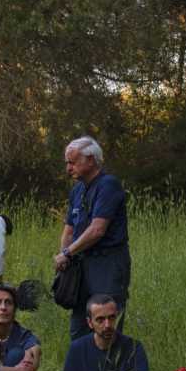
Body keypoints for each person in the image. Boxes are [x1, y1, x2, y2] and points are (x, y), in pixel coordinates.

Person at [54, 136, 130, 337]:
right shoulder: (77, 190)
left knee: (106, 323)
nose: (68, 168)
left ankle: (110, 368)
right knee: (79, 324)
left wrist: (68, 253)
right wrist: (64, 256)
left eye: (73, 162)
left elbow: (98, 229)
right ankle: (80, 367)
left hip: (108, 263)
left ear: (91, 159)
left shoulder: (108, 185)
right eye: (67, 163)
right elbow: (69, 229)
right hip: (81, 264)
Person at [56, 294, 153, 371]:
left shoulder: (134, 347)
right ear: (90, 323)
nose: (107, 325)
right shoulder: (77, 348)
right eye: (100, 320)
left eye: (111, 318)